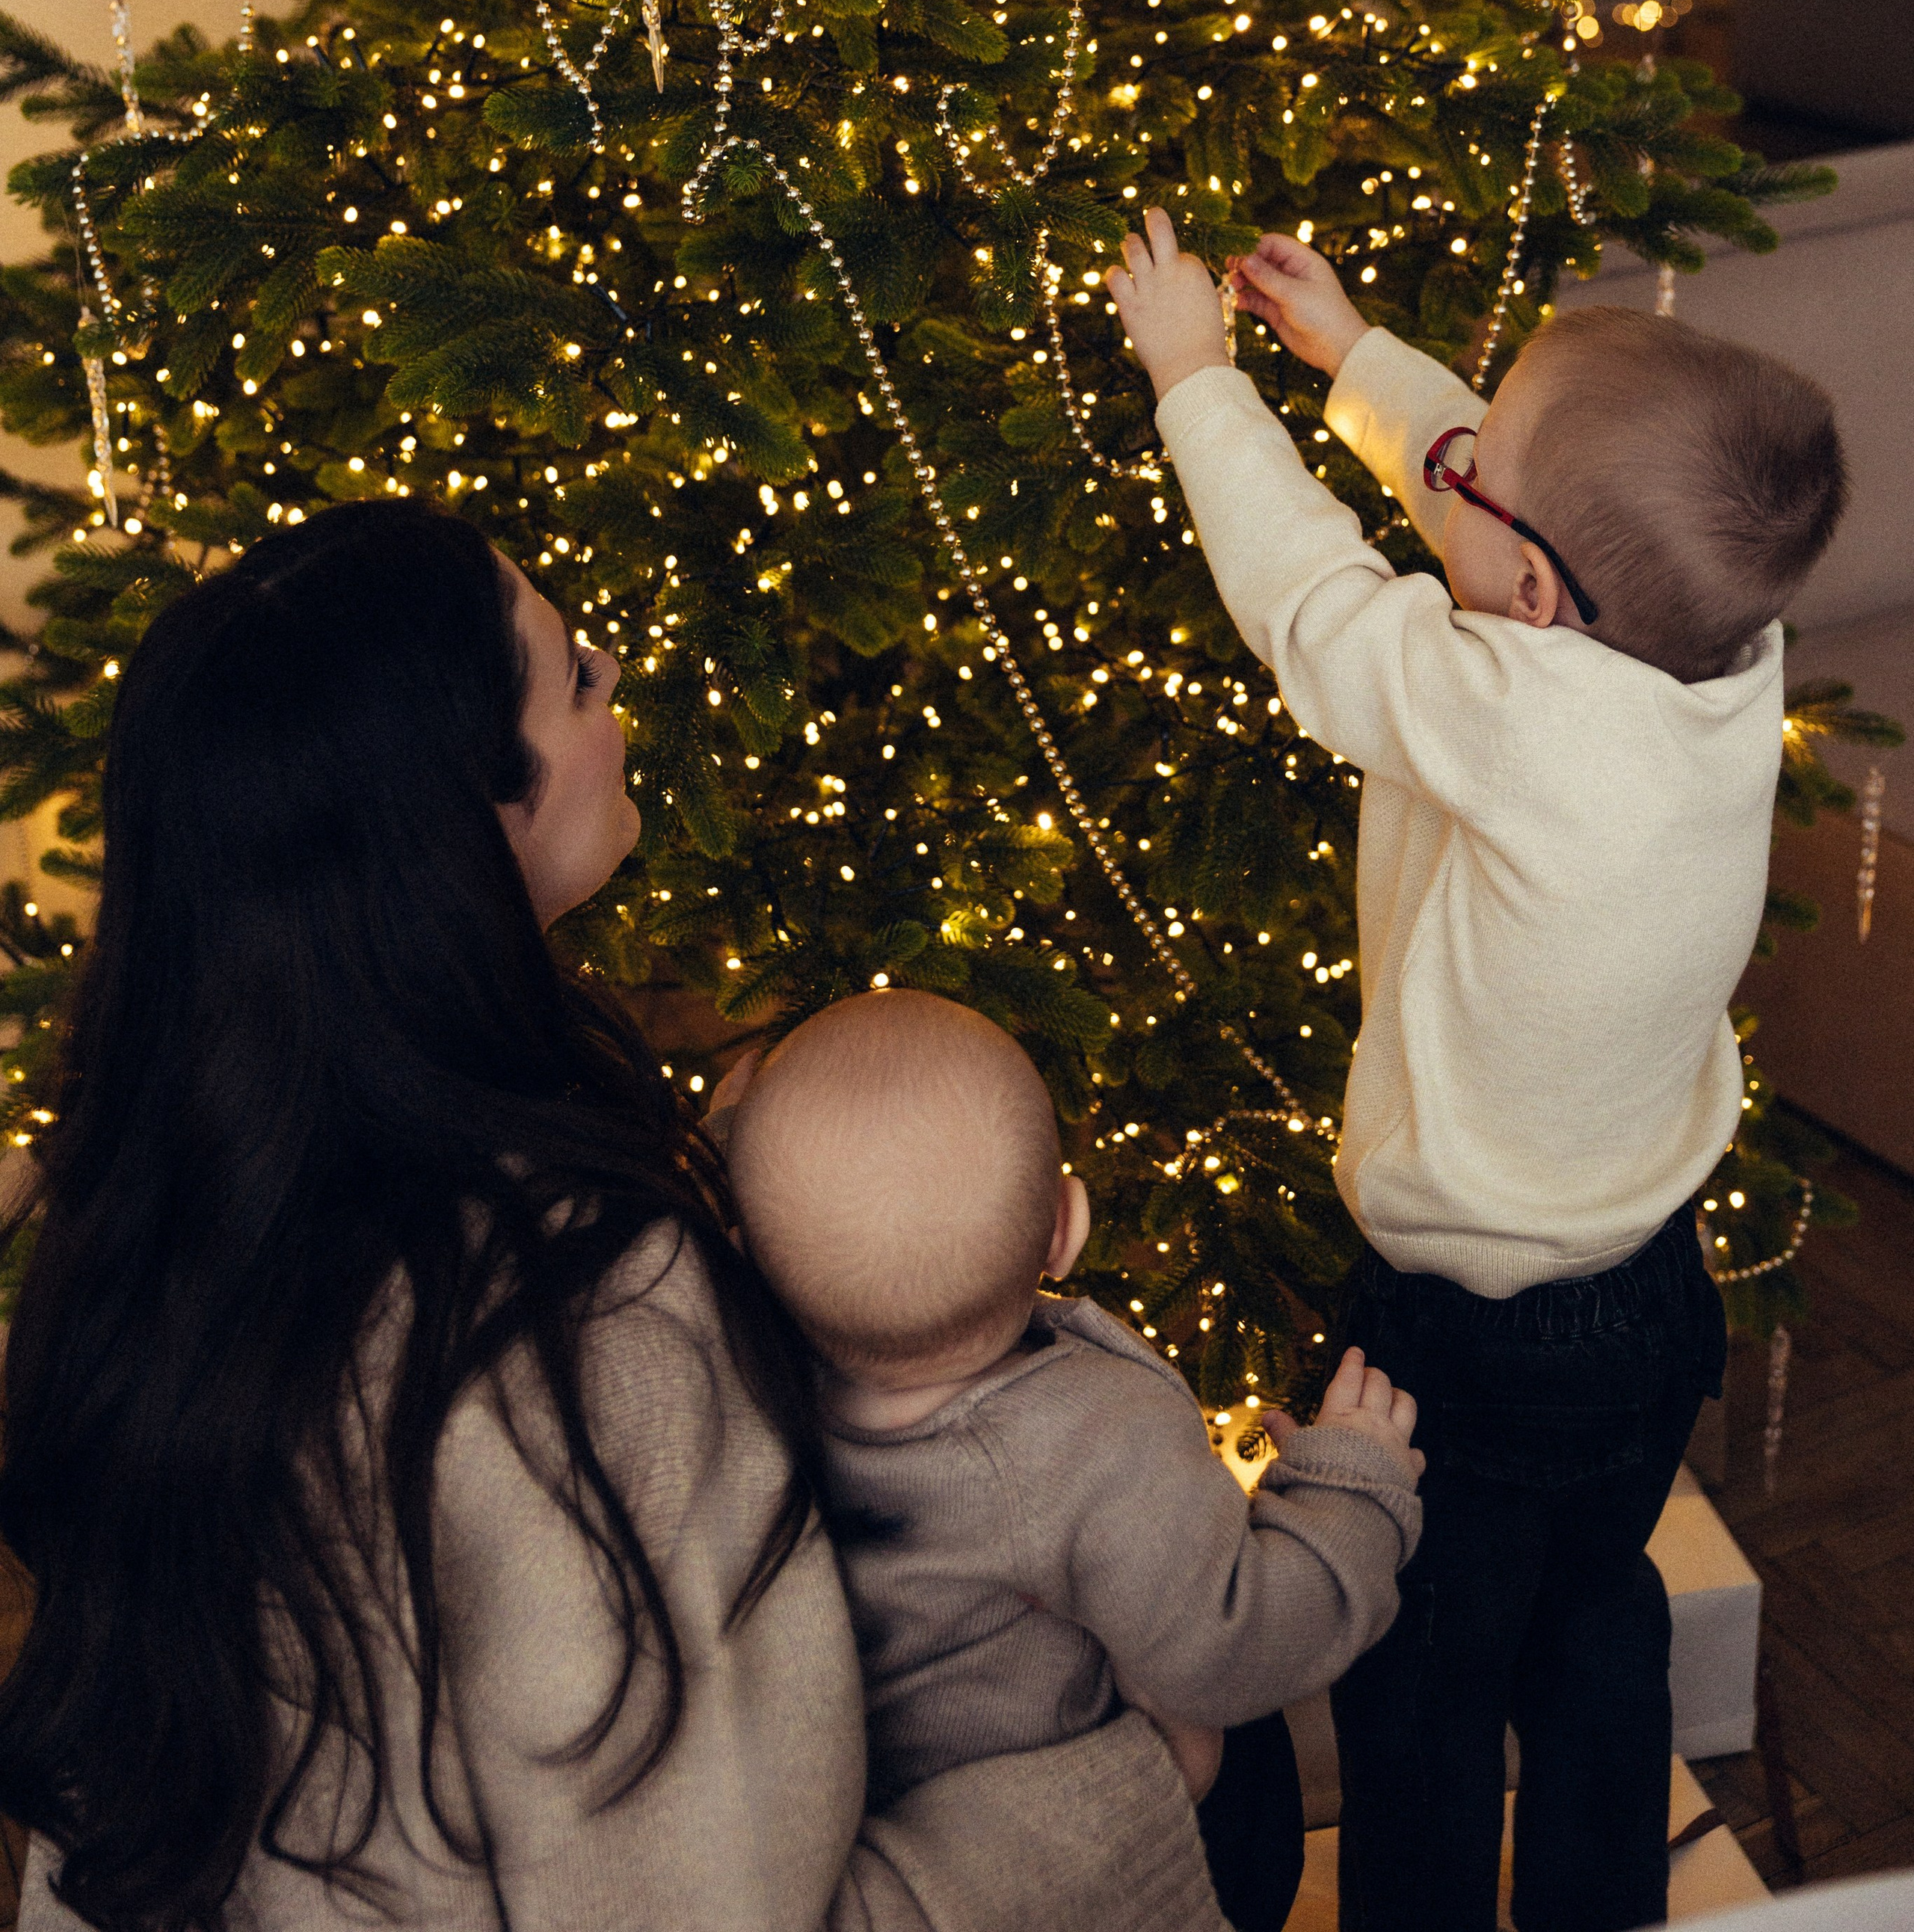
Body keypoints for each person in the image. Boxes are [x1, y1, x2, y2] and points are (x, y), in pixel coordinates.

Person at [0, 501, 1231, 1932]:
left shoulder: (125, 1226)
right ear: (470, 808)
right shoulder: (571, 1304)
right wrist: (1125, 1802)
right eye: (575, 673)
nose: (615, 678)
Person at [1105, 210, 1847, 1932]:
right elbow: (1506, 496)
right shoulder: (1718, 650)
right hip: (1647, 1294)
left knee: (1418, 1674)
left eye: (1473, 467)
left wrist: (1199, 382)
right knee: (1595, 1621)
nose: (1452, 464)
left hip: (1461, 1327)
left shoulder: (1515, 716)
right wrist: (1357, 356)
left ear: (1528, 601)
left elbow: (1313, 600)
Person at [721, 988, 1424, 1932]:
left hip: (914, 1842)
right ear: (1067, 1226)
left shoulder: (747, 1391)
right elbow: (1233, 1645)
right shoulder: (1092, 1436)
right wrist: (1351, 1483)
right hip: (1107, 1862)